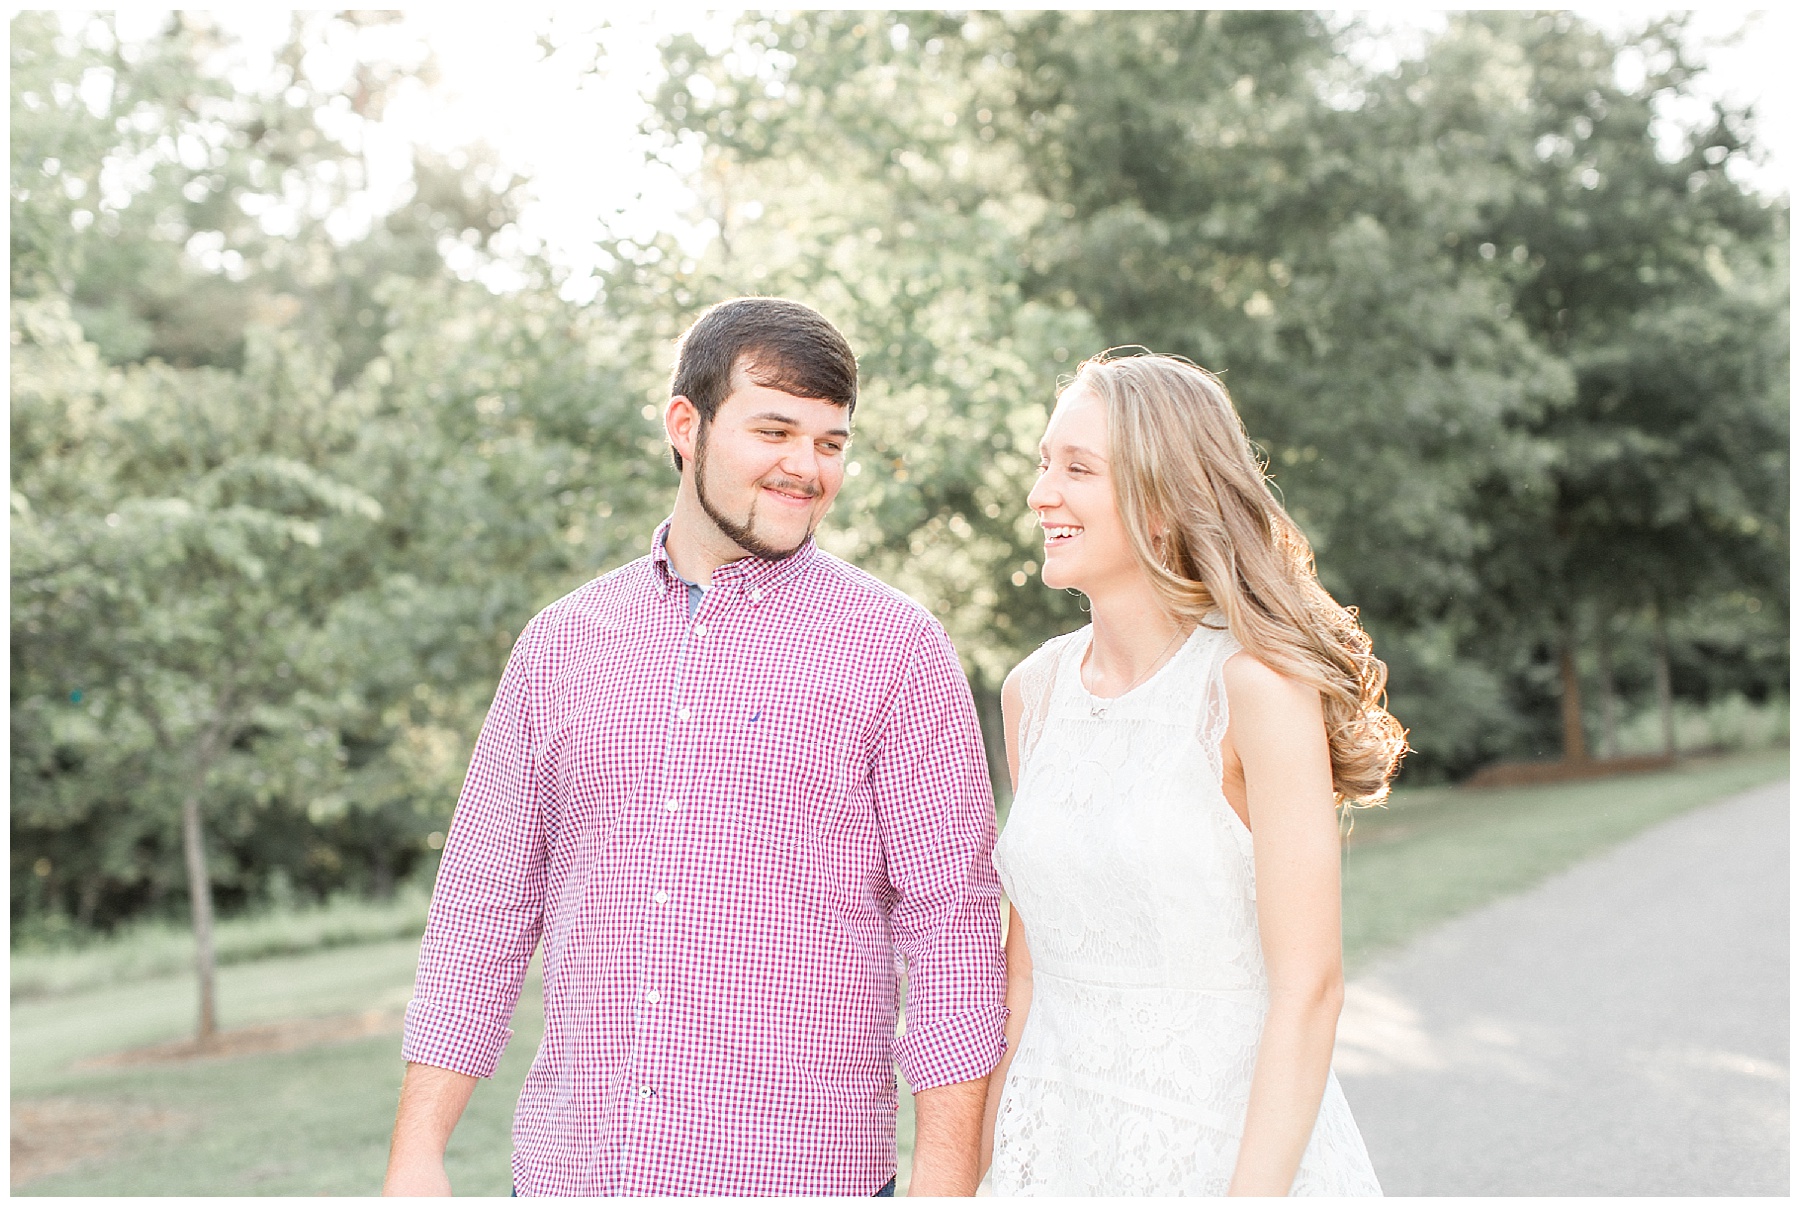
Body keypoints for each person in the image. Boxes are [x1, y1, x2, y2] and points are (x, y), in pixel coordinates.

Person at [383, 297, 1006, 1197]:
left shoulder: (896, 647)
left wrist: (943, 1188)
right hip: (574, 1173)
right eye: (776, 430)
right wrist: (416, 1155)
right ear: (688, 425)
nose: (807, 467)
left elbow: (952, 931)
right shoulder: (562, 644)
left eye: (831, 442)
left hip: (799, 1177)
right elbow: (482, 908)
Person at [978, 351, 1405, 1196]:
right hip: (1055, 1148)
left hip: (1224, 1151)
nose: (1041, 493)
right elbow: (1023, 973)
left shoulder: (1254, 687)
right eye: (1043, 462)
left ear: (1163, 500)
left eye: (1078, 468)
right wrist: (990, 1168)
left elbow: (1309, 990)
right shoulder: (1032, 693)